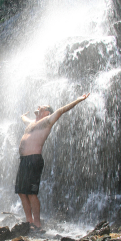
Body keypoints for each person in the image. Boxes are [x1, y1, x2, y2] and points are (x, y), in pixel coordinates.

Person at [15, 93, 90, 228]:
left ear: (47, 112)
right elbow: (24, 118)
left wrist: (78, 100)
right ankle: (28, 222)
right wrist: (22, 115)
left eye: (42, 106)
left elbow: (61, 110)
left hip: (34, 160)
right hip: (23, 160)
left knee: (31, 194)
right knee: (21, 192)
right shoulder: (32, 123)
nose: (39, 106)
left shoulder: (47, 121)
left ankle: (37, 224)